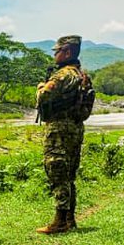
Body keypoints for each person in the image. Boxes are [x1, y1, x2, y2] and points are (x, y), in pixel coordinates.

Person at [35, 35, 87, 234]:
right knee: (70, 174)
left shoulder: (63, 75)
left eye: (57, 51)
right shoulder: (81, 75)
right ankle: (70, 219)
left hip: (59, 129)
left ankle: (59, 221)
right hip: (75, 128)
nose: (55, 55)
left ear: (67, 52)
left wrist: (40, 87)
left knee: (56, 170)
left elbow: (44, 96)